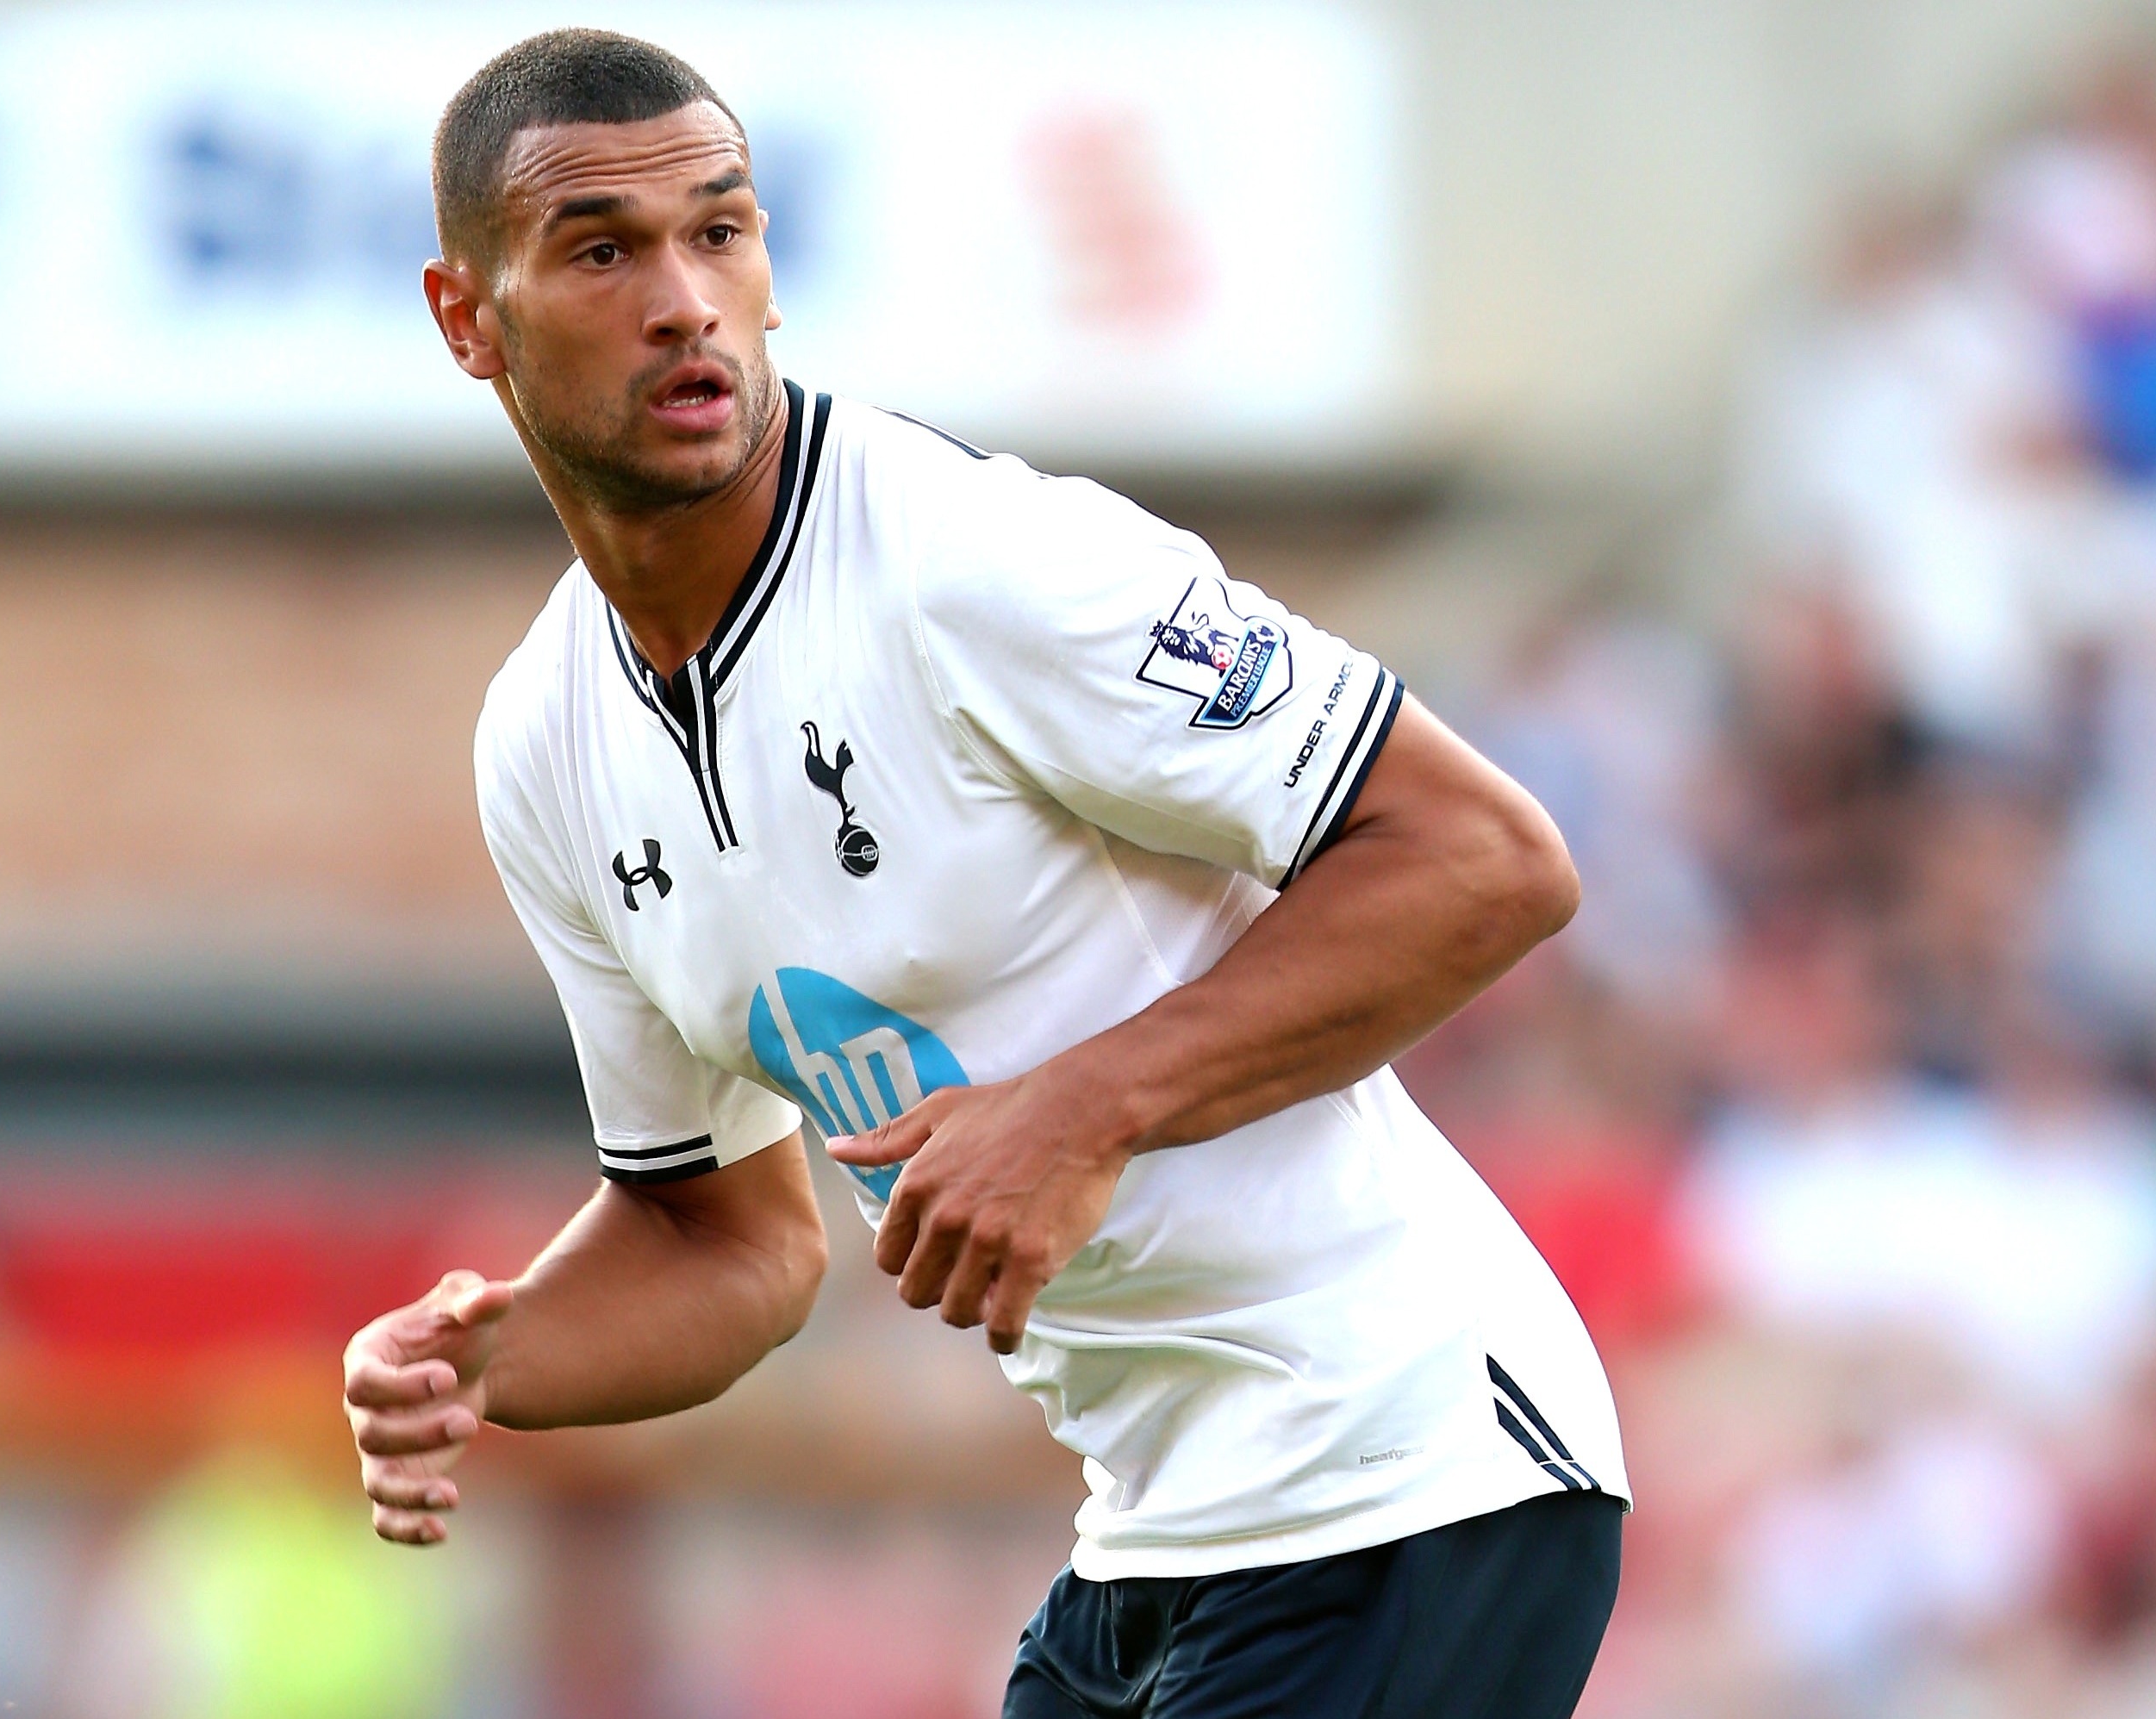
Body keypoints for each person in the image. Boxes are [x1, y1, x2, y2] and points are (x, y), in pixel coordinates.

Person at [338, 29, 1626, 1717]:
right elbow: (726, 1237)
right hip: (1151, 1540)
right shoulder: (547, 746)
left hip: (1415, 1468)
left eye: (721, 231)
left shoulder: (980, 562)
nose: (684, 299)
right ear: (468, 317)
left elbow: (1488, 859)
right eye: (603, 250)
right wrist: (493, 1354)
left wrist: (1086, 1104)